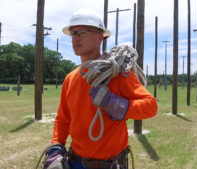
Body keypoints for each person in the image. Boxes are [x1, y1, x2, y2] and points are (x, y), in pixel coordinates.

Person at [44, 9, 157, 169]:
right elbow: (63, 119)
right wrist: (56, 148)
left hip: (112, 164)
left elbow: (150, 106)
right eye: (73, 33)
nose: (75, 38)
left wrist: (115, 104)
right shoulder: (70, 78)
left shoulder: (117, 74)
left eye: (82, 32)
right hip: (76, 163)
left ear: (100, 37)